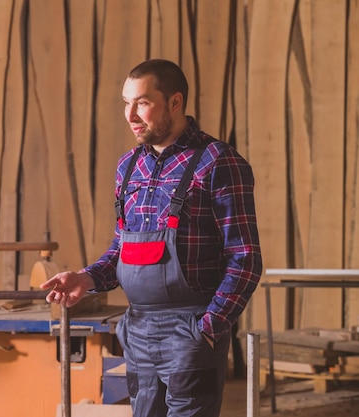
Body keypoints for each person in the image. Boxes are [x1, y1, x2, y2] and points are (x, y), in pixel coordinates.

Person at [40, 59, 262, 417]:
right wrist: (85, 278)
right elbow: (122, 249)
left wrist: (209, 328)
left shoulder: (219, 162)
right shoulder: (129, 165)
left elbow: (245, 258)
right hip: (138, 328)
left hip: (191, 328)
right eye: (126, 103)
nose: (131, 115)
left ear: (175, 102)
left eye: (142, 102)